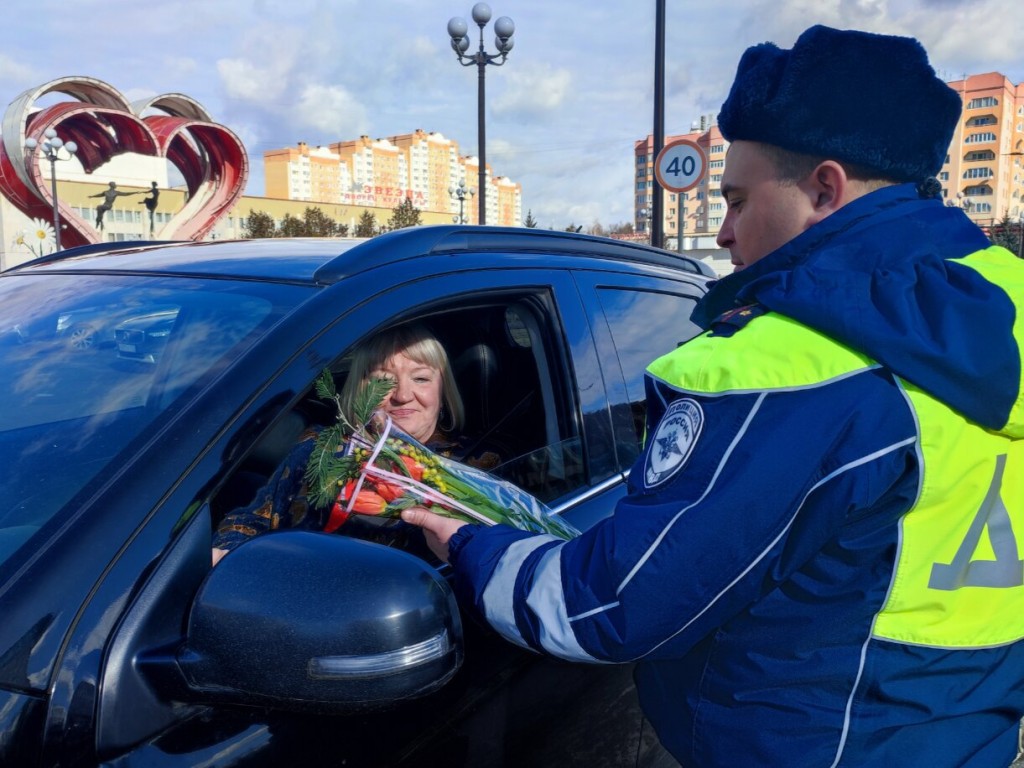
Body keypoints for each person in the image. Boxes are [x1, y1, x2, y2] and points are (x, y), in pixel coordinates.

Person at [402, 25, 1024, 767]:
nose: (724, 234)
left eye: (735, 199)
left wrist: (469, 544)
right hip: (967, 731)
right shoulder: (999, 308)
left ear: (824, 188)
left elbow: (608, 608)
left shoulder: (790, 368)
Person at [212, 323, 500, 565]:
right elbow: (250, 521)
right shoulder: (320, 446)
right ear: (358, 391)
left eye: (421, 378)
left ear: (443, 391)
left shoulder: (473, 468)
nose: (401, 395)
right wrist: (230, 558)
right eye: (382, 381)